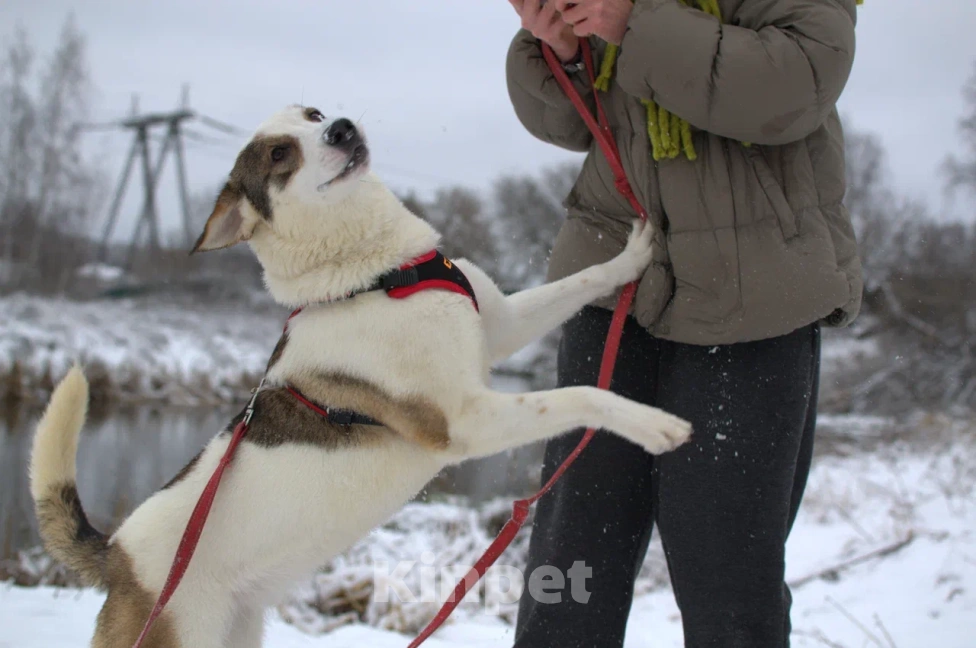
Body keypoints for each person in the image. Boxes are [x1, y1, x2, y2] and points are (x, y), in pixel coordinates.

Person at [504, 0, 863, 646]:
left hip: (754, 294)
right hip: (615, 276)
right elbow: (566, 123)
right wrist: (556, 48)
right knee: (570, 556)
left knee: (727, 572)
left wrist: (632, 24)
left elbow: (793, 86)